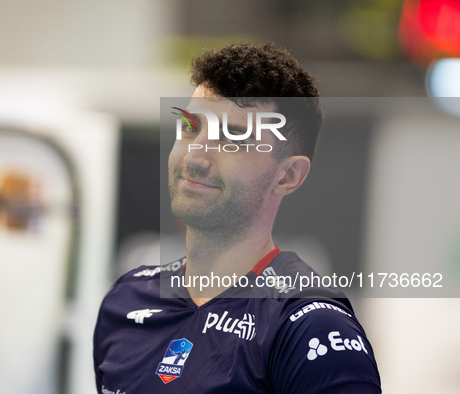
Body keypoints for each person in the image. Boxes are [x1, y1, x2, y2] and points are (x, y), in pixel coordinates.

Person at [94, 43, 381, 393]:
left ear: (288, 176)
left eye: (232, 138)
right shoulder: (126, 300)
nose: (195, 157)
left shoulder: (309, 327)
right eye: (189, 127)